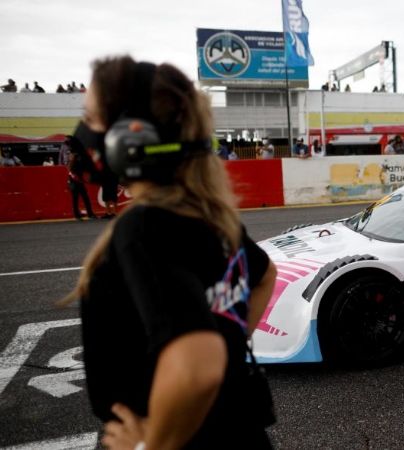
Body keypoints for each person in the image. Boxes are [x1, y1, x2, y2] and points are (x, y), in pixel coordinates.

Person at [64, 55, 277, 449]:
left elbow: (197, 366)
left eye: (90, 118)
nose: (82, 131)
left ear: (131, 140)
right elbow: (265, 276)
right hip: (238, 429)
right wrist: (228, 343)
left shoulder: (144, 228)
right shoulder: (210, 215)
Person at [65, 148, 96, 220]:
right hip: (77, 182)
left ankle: (78, 215)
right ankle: (88, 214)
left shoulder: (72, 162)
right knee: (83, 198)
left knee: (77, 199)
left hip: (75, 182)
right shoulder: (76, 161)